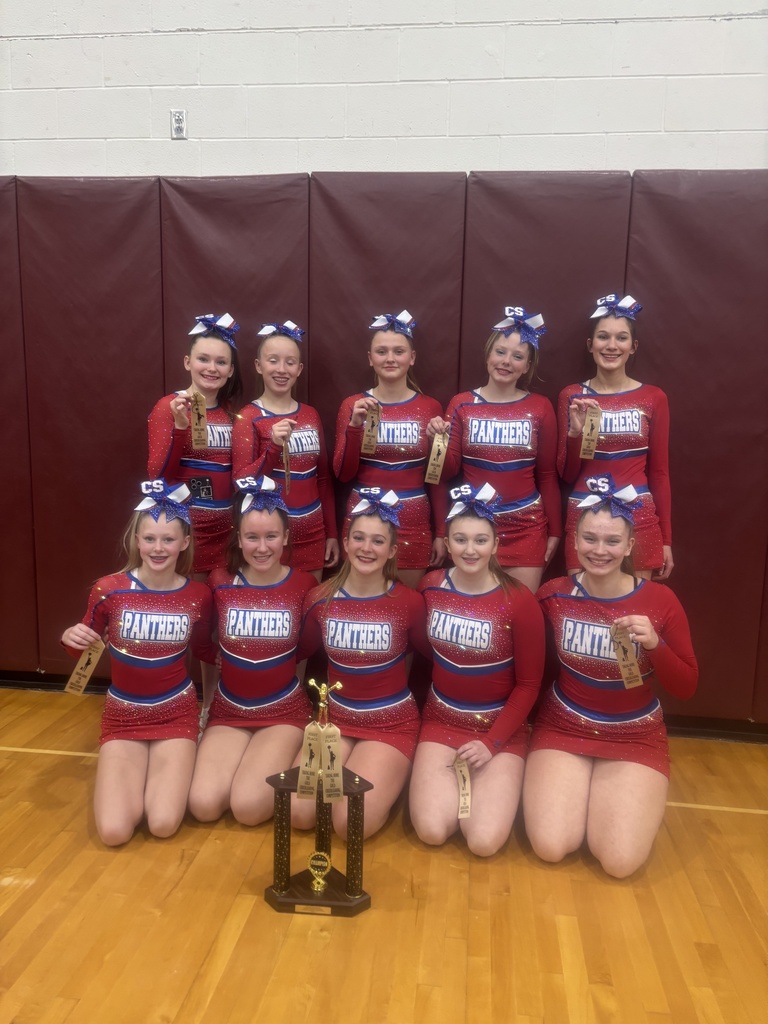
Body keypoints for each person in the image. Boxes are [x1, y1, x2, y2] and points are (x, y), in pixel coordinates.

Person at [523, 481, 697, 877]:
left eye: (612, 541)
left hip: (633, 733)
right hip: (564, 725)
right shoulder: (553, 594)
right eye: (590, 538)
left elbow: (687, 685)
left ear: (631, 545)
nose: (599, 550)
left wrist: (654, 645)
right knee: (551, 846)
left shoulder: (660, 601)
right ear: (575, 541)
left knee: (619, 862)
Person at [61, 481, 216, 847]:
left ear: (185, 542)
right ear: (136, 541)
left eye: (167, 539)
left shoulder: (198, 595)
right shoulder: (108, 589)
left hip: (176, 714)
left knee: (162, 823)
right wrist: (71, 639)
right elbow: (85, 648)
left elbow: (207, 652)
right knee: (114, 832)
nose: (158, 548)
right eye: (149, 539)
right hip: (122, 715)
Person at [409, 484, 545, 856]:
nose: (470, 549)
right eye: (461, 539)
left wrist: (492, 742)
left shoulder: (519, 600)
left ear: (496, 545)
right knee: (432, 830)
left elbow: (530, 685)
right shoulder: (431, 587)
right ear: (448, 544)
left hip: (499, 727)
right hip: (442, 720)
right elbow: (424, 648)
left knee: (483, 841)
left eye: (481, 540)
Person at [295, 488, 428, 839]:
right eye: (359, 538)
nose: (367, 548)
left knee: (348, 826)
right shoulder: (319, 598)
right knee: (298, 812)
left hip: (389, 725)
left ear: (392, 551)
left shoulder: (409, 602)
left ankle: (394, 778)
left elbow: (429, 654)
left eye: (378, 541)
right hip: (333, 721)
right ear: (346, 541)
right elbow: (300, 652)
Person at [188, 477, 315, 826]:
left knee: (247, 808)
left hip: (282, 711)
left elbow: (305, 648)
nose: (262, 547)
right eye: (252, 537)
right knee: (203, 805)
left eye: (271, 536)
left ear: (286, 537)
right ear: (239, 538)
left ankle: (295, 749)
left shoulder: (305, 584)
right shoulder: (219, 580)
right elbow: (202, 637)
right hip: (230, 710)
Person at [147, 313, 243, 711]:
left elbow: (239, 478)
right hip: (181, 533)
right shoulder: (169, 406)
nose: (212, 368)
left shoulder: (233, 415)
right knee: (176, 615)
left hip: (222, 532)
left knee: (210, 621)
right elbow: (157, 475)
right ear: (188, 362)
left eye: (221, 362)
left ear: (232, 369)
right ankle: (169, 701)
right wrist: (182, 426)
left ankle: (208, 706)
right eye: (204, 359)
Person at [428, 307, 561, 591]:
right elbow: (447, 471)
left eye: (517, 356)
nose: (506, 362)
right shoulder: (462, 403)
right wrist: (436, 442)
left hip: (526, 525)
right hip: (473, 528)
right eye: (500, 352)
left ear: (527, 366)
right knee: (477, 612)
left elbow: (548, 475)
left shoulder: (540, 407)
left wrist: (556, 532)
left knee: (520, 610)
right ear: (488, 355)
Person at [557, 293, 673, 580]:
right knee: (585, 609)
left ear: (633, 347)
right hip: (585, 512)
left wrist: (667, 539)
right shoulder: (573, 396)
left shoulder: (653, 397)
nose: (611, 346)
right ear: (590, 345)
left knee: (634, 610)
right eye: (603, 337)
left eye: (621, 338)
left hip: (639, 514)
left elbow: (659, 472)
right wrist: (574, 433)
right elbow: (567, 474)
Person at [334, 310, 446, 586]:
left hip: (414, 519)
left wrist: (441, 531)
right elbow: (343, 474)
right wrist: (354, 427)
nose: (390, 358)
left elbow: (437, 476)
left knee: (406, 604)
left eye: (399, 351)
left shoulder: (430, 407)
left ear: (412, 357)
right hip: (364, 517)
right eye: (381, 351)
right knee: (362, 605)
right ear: (370, 359)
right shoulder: (353, 404)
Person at [232, 320, 338, 580]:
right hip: (269, 538)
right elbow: (240, 482)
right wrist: (273, 448)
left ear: (299, 369)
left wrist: (331, 533)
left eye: (290, 362)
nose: (282, 369)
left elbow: (322, 479)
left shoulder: (310, 414)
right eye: (273, 360)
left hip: (312, 532)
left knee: (307, 607)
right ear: (258, 366)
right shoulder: (248, 417)